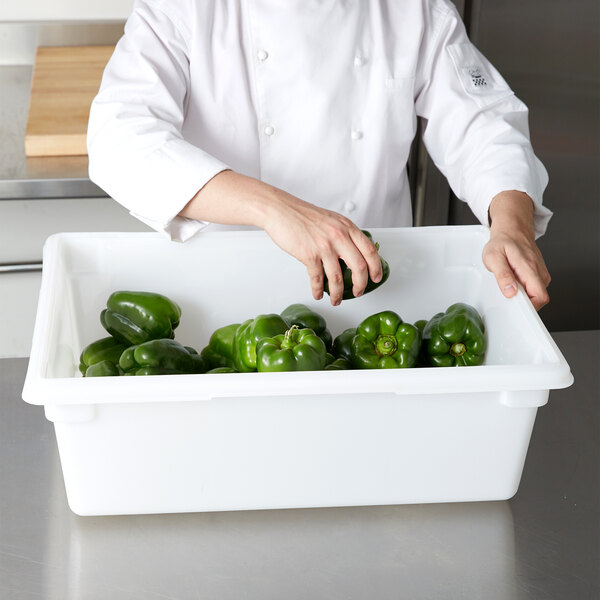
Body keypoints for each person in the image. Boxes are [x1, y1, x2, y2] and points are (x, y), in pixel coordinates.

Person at [87, 0, 552, 309]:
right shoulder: (186, 6)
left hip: (372, 292)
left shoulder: (411, 8)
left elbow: (480, 120)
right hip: (224, 296)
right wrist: (276, 210)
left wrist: (510, 223)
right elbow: (119, 135)